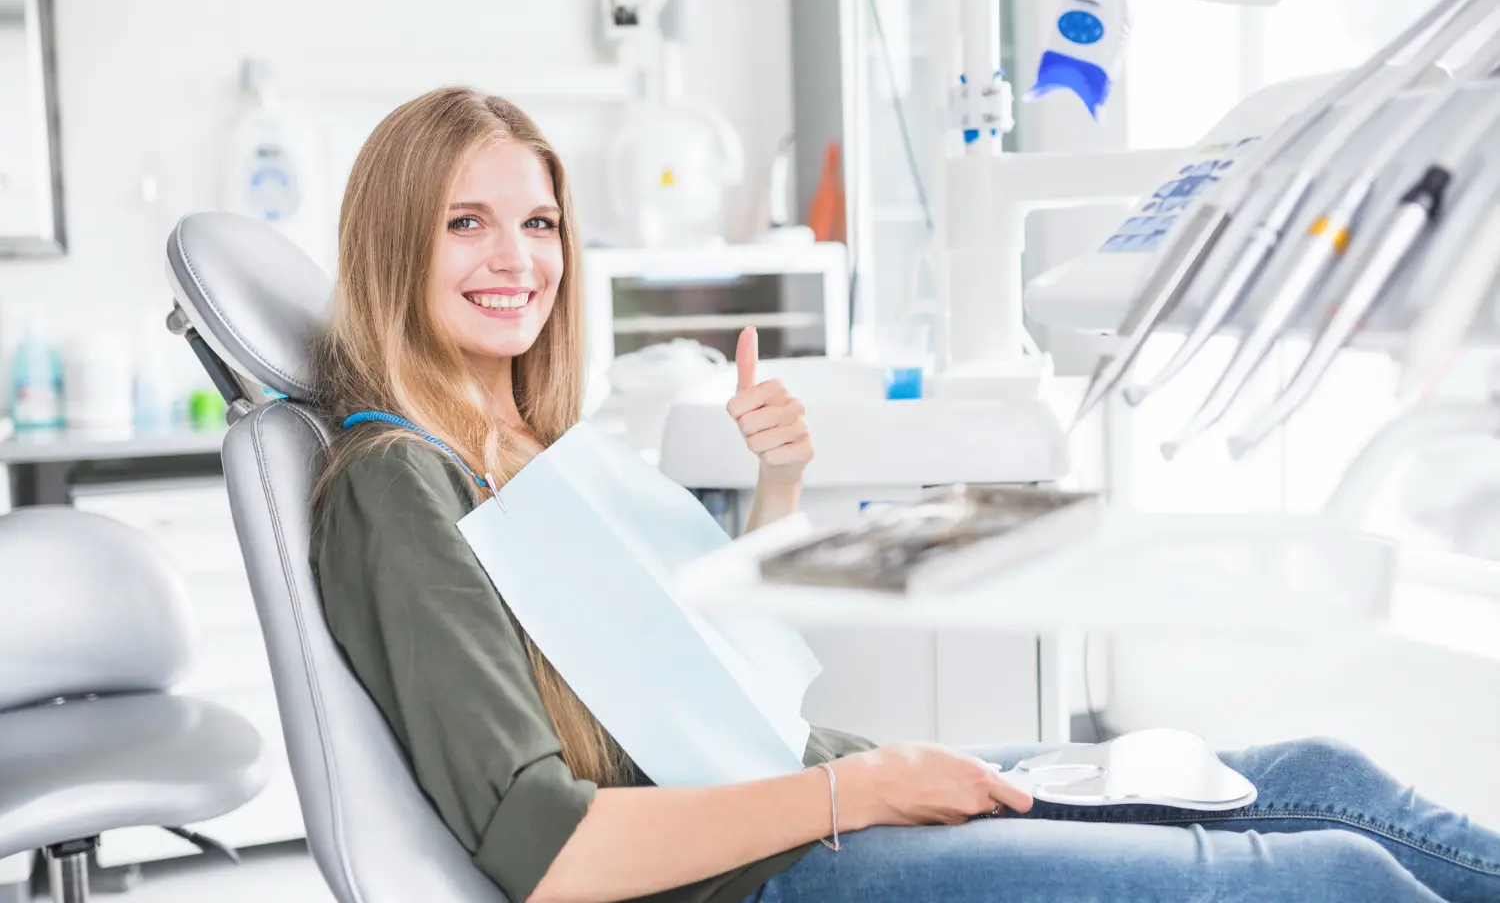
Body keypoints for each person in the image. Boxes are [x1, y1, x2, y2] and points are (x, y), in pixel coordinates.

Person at [309, 87, 1500, 903]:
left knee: (1319, 779)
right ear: (393, 243)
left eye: (538, 223)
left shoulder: (533, 444)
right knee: (1333, 878)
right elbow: (551, 851)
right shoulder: (397, 482)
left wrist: (777, 482)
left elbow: (696, 665)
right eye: (467, 224)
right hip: (766, 868)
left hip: (821, 785)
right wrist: (852, 792)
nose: (516, 260)